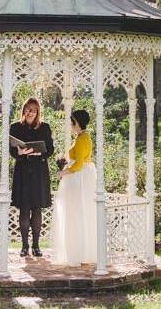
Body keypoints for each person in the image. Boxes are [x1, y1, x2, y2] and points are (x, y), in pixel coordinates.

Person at [51, 109, 97, 267]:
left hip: (79, 179)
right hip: (78, 177)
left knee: (77, 213)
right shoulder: (81, 137)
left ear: (77, 123)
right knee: (76, 213)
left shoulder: (83, 138)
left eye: (72, 123)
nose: (71, 126)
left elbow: (78, 164)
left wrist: (63, 172)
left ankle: (79, 252)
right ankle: (78, 250)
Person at [9, 97, 54, 257]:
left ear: (37, 112)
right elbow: (11, 150)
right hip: (22, 171)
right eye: (28, 109)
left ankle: (36, 246)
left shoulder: (45, 127)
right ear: (23, 110)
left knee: (37, 209)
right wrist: (19, 153)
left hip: (39, 172)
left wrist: (39, 153)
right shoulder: (15, 127)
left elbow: (50, 150)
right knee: (24, 209)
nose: (30, 113)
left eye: (33, 110)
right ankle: (24, 246)